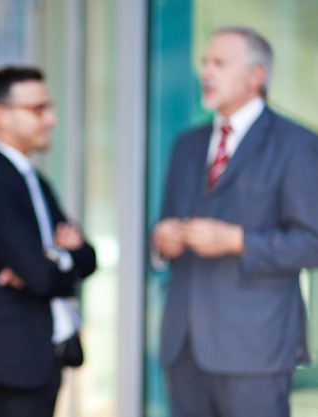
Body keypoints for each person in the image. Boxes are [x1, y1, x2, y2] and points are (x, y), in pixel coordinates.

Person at [152, 26, 318, 417]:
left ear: (255, 76)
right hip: (183, 347)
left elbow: (312, 241)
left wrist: (237, 240)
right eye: (204, 62)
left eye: (219, 63)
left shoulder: (295, 144)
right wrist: (161, 242)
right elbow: (164, 225)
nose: (205, 72)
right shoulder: (186, 145)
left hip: (255, 350)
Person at [0, 66, 97, 417]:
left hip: (43, 354)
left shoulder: (33, 178)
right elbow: (40, 275)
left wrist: (58, 260)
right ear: (0, 116)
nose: (51, 119)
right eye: (39, 109)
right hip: (13, 361)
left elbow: (88, 257)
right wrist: (56, 260)